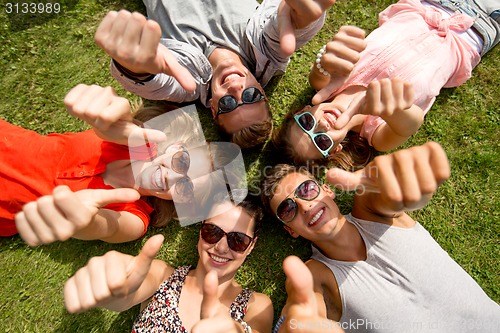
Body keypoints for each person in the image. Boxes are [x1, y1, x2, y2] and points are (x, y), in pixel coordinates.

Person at [261, 142, 500, 332]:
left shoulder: (371, 212)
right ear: (290, 230)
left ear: (327, 190)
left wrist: (396, 182)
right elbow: (302, 309)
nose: (304, 206)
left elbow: (385, 191)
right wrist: (294, 324)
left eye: (306, 189)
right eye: (287, 209)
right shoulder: (316, 275)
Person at [0, 84, 240, 245]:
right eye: (182, 161)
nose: (172, 178)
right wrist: (113, 115)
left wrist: (86, 222)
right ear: (176, 146)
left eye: (185, 188)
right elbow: (119, 127)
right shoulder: (133, 141)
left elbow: (109, 227)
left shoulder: (135, 217)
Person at [273, 0, 499, 170]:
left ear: (304, 110)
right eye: (321, 141)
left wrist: (327, 60)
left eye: (307, 122)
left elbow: (322, 67)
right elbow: (413, 121)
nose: (321, 125)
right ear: (335, 150)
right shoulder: (377, 134)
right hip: (475, 33)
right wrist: (390, 108)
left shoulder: (325, 83)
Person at [94, 0, 337, 148]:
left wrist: (135, 66)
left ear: (212, 107)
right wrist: (304, 14)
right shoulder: (266, 52)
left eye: (229, 104)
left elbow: (156, 84)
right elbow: (289, 24)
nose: (237, 90)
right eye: (252, 96)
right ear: (262, 90)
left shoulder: (187, 83)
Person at [63, 197, 274, 333]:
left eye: (237, 240)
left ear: (251, 245)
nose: (220, 247)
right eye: (213, 232)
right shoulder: (163, 276)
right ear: (201, 230)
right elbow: (128, 290)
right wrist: (113, 286)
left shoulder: (256, 305)